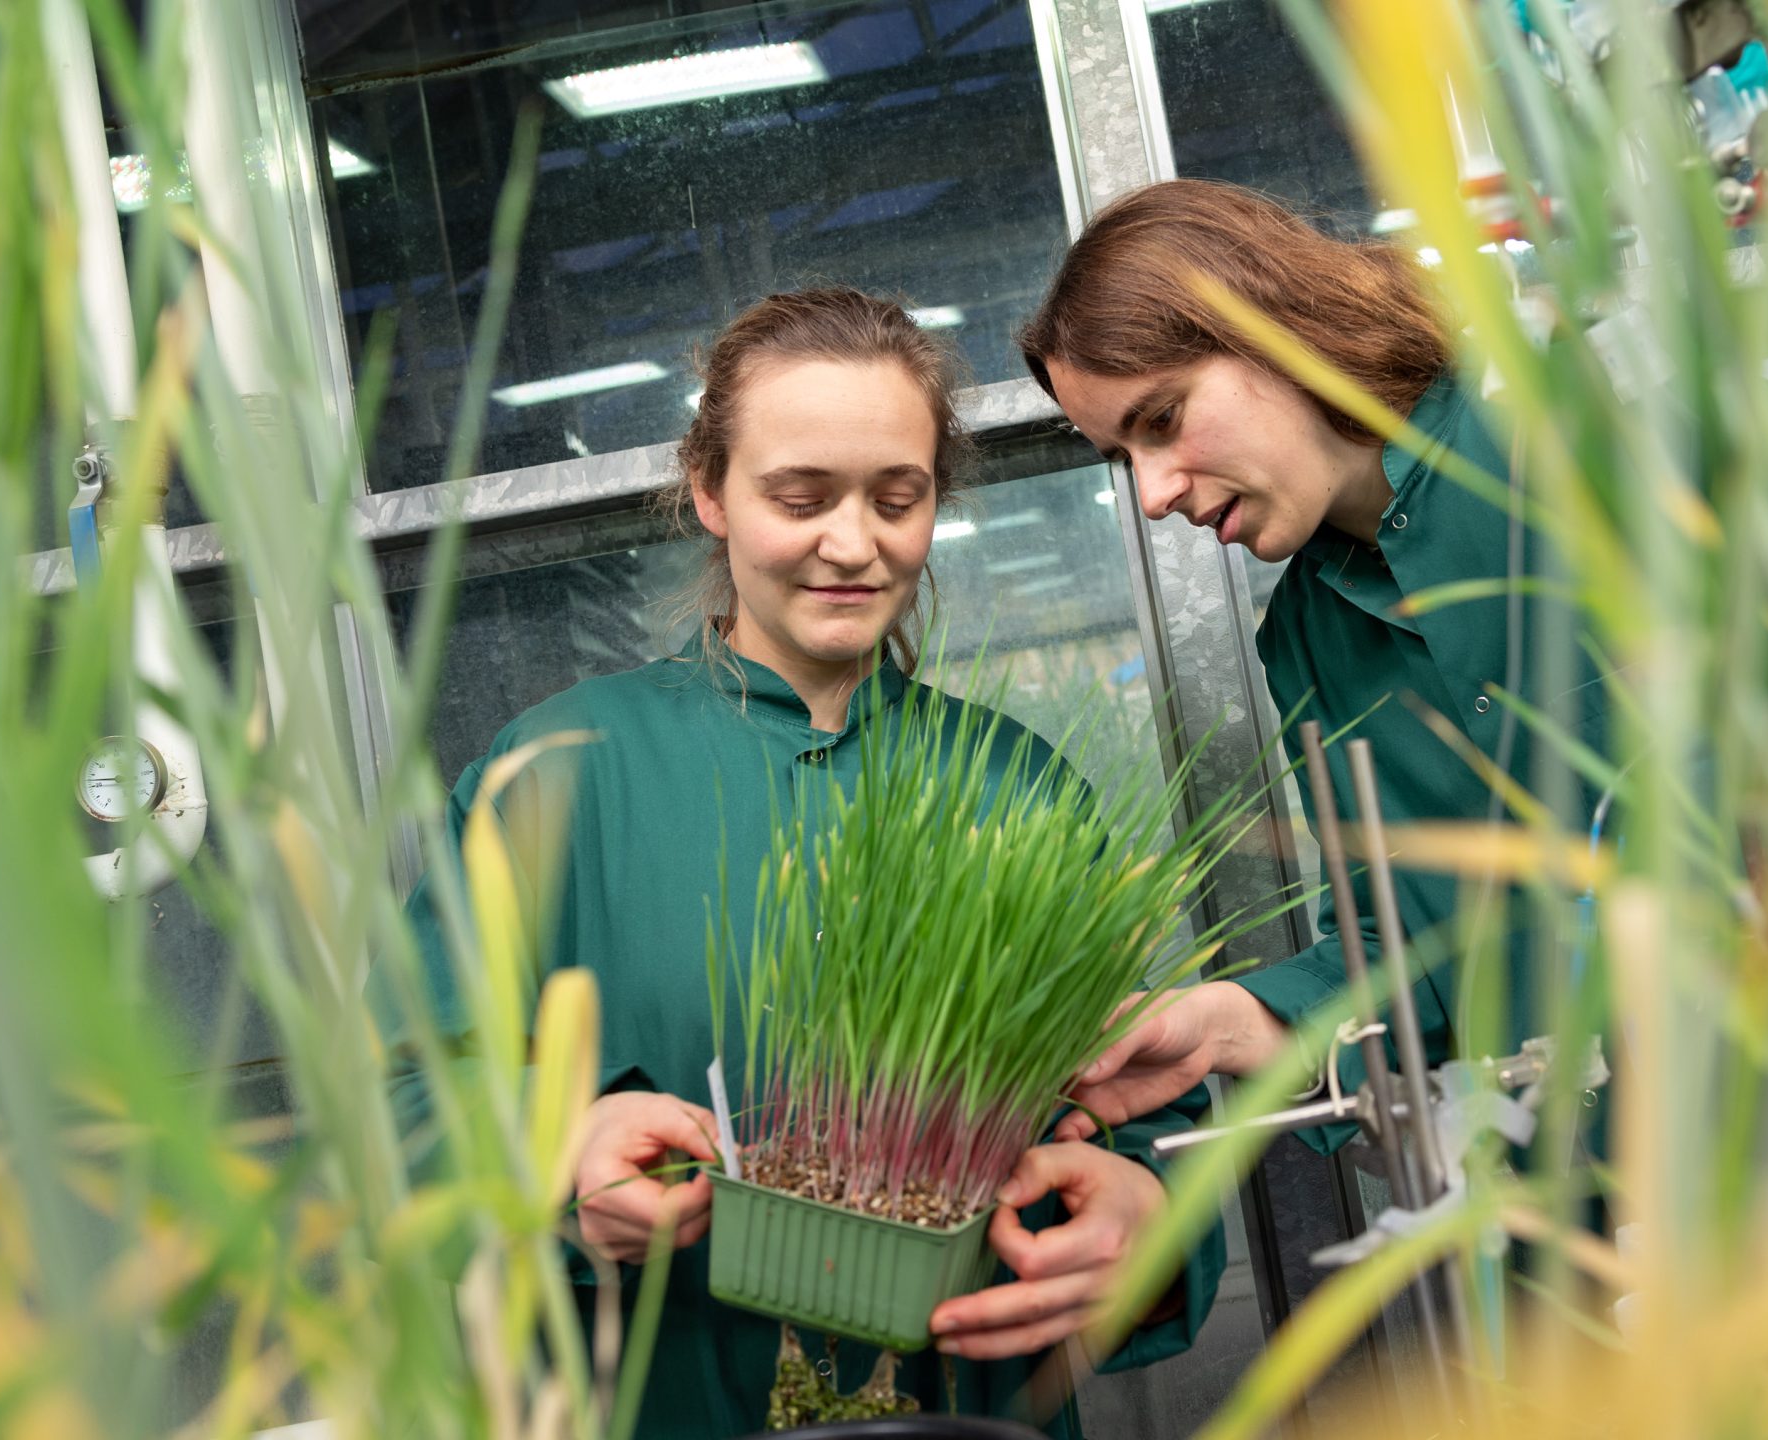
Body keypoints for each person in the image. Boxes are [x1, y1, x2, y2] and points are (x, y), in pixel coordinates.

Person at [402, 288, 1222, 1438]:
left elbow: (1142, 1105)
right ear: (709, 495)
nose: (854, 543)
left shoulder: (1016, 787)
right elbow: (403, 1102)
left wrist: (1145, 1208)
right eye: (800, 497)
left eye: (899, 497)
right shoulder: (557, 774)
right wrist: (547, 1161)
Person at [1020, 179, 1596, 1144]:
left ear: (1280, 330)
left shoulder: (1611, 456)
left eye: (1161, 420)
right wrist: (1232, 1026)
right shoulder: (1308, 638)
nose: (1155, 494)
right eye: (1125, 458)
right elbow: (1401, 956)